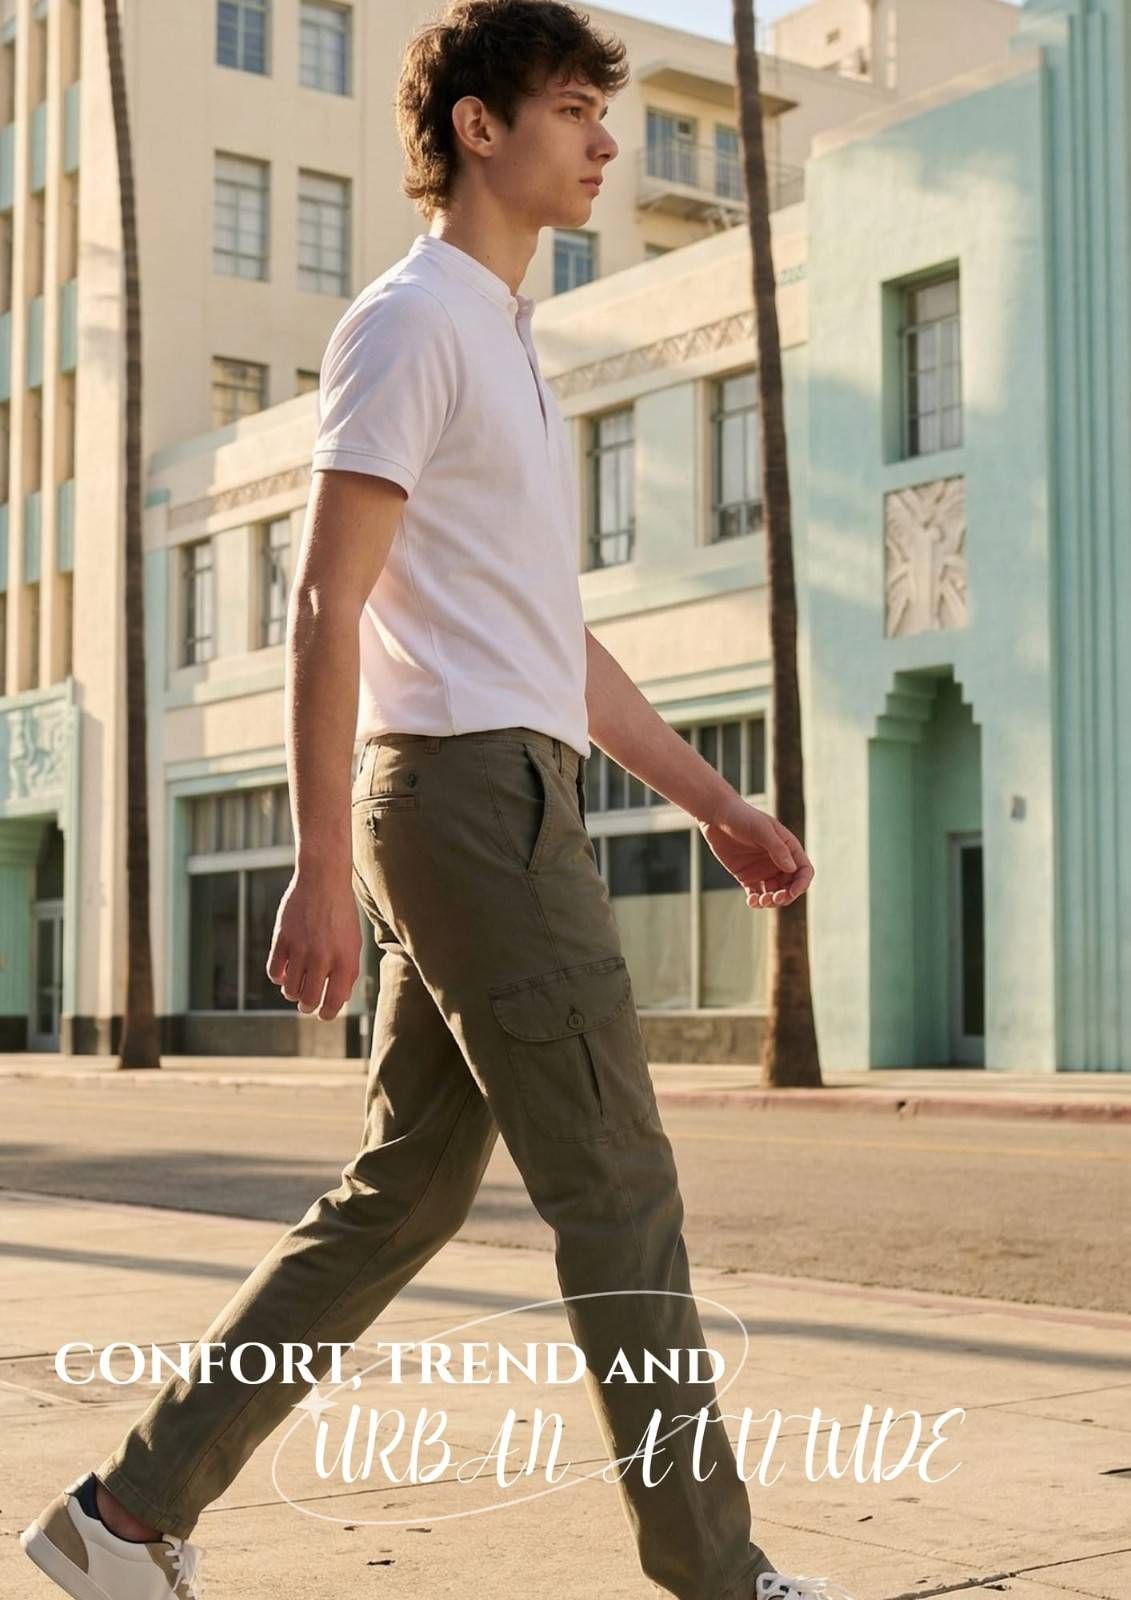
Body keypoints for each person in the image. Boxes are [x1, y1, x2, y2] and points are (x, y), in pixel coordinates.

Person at [20, 4, 839, 1598]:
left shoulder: (502, 341)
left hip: (495, 783)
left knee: (402, 1190)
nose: (607, 140)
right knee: (617, 1184)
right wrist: (318, 858)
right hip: (467, 802)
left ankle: (126, 1519)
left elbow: (557, 647)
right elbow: (329, 604)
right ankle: (717, 1576)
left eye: (609, 112)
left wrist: (712, 804)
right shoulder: (410, 324)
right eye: (576, 109)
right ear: (480, 127)